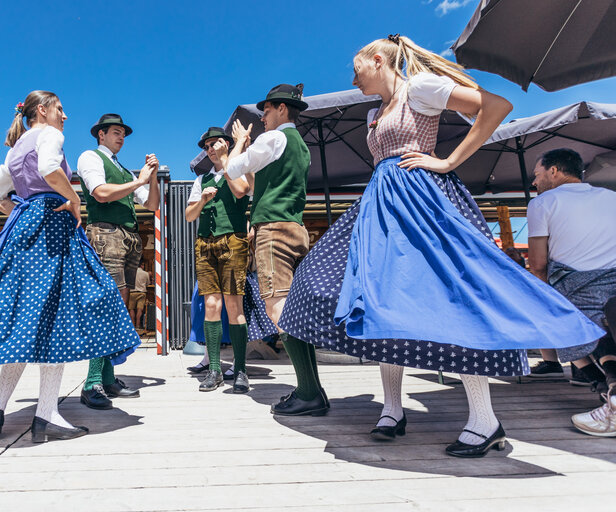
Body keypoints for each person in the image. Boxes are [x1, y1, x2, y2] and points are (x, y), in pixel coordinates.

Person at [278, 35, 604, 457]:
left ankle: (485, 420)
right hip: (381, 208)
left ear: (378, 60)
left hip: (421, 205)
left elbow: (496, 107)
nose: (353, 76)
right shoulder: (374, 113)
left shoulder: (421, 88)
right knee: (373, 298)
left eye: (356, 67)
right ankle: (392, 410)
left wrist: (449, 161)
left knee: (454, 300)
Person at [0, 91, 140, 443]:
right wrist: (72, 199)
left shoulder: (14, 149)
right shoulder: (50, 134)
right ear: (42, 111)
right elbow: (48, 168)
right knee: (58, 317)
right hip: (53, 226)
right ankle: (46, 415)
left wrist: (24, 212)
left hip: (24, 228)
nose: (65, 115)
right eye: (60, 108)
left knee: (27, 323)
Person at [220, 83, 326, 415]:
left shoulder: (274, 138)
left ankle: (309, 392)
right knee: (293, 310)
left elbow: (231, 170)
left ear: (281, 109)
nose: (262, 117)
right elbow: (259, 182)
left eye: (266, 110)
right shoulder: (302, 147)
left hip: (273, 231)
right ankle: (313, 388)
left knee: (277, 307)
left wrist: (236, 146)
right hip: (296, 228)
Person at [526, 148, 616, 436]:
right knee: (600, 334)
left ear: (554, 171)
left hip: (576, 283)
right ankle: (605, 390)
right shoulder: (611, 197)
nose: (535, 183)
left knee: (564, 328)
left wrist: (538, 298)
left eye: (538, 175)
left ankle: (609, 395)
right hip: (613, 279)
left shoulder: (542, 203)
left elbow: (538, 264)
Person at [76, 113, 159, 408]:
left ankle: (107, 378)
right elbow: (99, 193)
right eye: (115, 132)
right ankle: (92, 382)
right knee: (105, 306)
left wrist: (154, 176)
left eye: (123, 132)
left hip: (127, 238)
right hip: (106, 233)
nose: (121, 136)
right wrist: (139, 179)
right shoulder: (91, 157)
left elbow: (151, 204)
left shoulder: (122, 169)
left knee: (116, 308)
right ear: (101, 134)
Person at [185, 127, 252, 392]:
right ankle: (214, 369)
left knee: (234, 306)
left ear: (226, 145)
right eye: (207, 146)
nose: (211, 148)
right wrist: (201, 201)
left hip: (233, 240)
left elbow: (240, 191)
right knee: (211, 304)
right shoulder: (201, 180)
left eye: (216, 143)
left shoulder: (238, 168)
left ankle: (241, 370)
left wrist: (227, 162)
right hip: (205, 243)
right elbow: (189, 216)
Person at [128, 260, 150, 332]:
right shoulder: (145, 273)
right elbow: (148, 283)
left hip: (132, 293)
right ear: (141, 265)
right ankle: (138, 326)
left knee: (131, 309)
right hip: (142, 293)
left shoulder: (130, 273)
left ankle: (132, 326)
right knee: (139, 309)